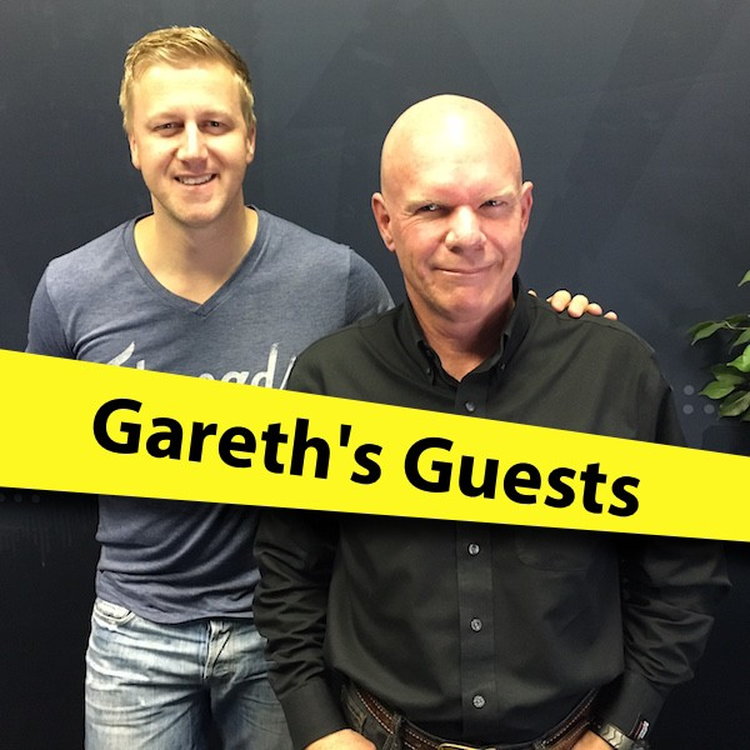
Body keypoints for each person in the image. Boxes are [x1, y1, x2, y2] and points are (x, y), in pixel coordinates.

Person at [25, 26, 612, 749]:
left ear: (249, 139)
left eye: (215, 124)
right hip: (133, 632)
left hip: (285, 638)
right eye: (167, 127)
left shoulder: (335, 280)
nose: (193, 148)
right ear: (134, 144)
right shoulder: (70, 290)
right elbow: (47, 452)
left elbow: (432, 380)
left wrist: (551, 335)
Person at [253, 95, 730, 750]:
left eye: (492, 204)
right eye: (432, 208)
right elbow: (289, 577)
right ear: (386, 221)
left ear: (524, 210)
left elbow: (683, 572)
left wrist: (621, 731)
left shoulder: (616, 372)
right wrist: (318, 729)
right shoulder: (328, 382)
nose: (467, 233)